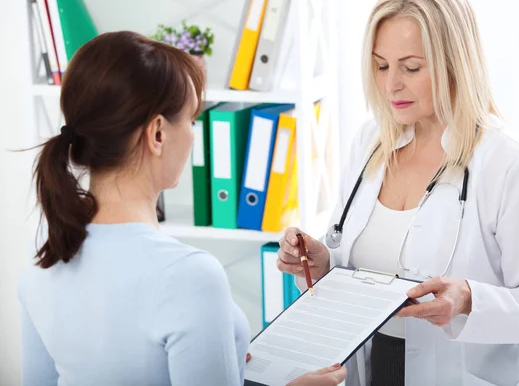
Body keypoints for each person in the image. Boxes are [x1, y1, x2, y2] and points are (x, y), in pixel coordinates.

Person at [276, 0, 519, 385]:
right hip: (374, 366)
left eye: (411, 68)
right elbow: (350, 267)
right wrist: (319, 263)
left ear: (456, 64)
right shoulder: (371, 143)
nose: (391, 85)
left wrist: (469, 299)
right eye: (381, 66)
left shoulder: (512, 168)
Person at [18, 31, 346, 386]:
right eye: (191, 120)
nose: (193, 135)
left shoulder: (42, 269)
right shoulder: (189, 276)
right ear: (157, 133)